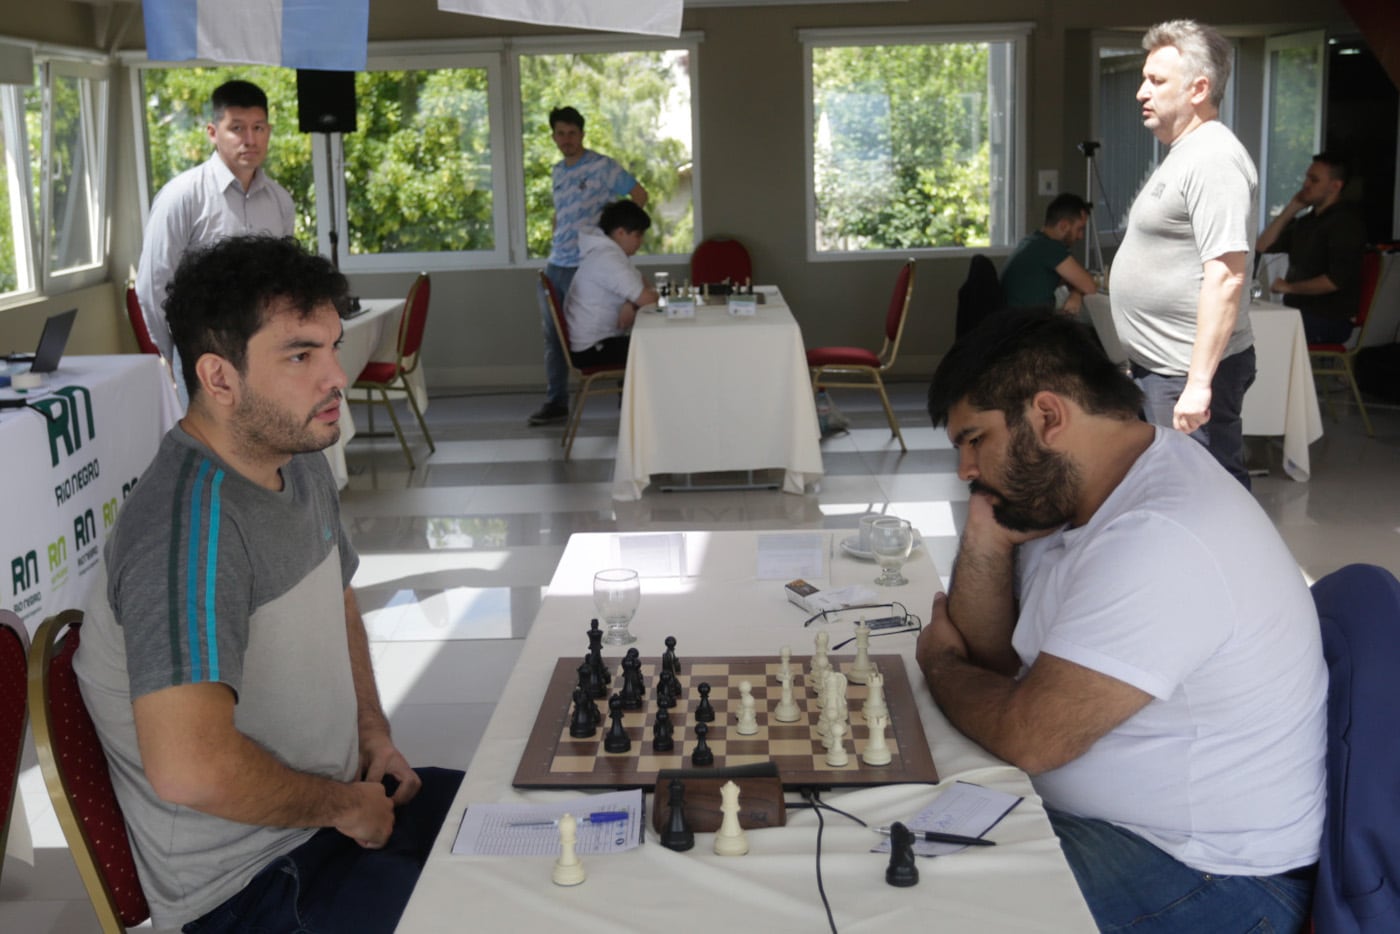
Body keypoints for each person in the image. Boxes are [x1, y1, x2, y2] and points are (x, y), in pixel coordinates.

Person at [74, 235, 463, 933]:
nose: (336, 377)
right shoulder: (187, 531)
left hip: (339, 814)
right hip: (250, 887)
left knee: (533, 828)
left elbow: (337, 598)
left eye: (332, 346)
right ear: (220, 379)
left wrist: (371, 732)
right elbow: (190, 769)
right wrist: (346, 807)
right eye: (300, 355)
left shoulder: (295, 452)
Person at [919, 308, 1325, 934]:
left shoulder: (1162, 534)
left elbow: (1029, 735)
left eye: (975, 441)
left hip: (1214, 877)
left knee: (918, 906)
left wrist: (940, 665)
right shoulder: (1079, 490)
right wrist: (987, 536)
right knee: (876, 836)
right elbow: (992, 662)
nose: (966, 471)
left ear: (1049, 416)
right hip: (1126, 833)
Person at [1110, 20, 1258, 488]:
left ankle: (1241, 564)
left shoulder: (1214, 158)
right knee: (1176, 490)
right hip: (1162, 369)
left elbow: (1227, 276)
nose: (1140, 92)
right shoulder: (1182, 152)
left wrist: (1198, 385)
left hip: (1186, 375)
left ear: (1199, 88)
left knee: (1210, 492)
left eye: (1156, 81)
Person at [136, 80, 296, 404]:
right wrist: (179, 351)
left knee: (265, 449)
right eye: (236, 128)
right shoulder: (182, 197)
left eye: (258, 127)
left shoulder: (280, 200)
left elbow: (285, 281)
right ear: (212, 132)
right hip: (204, 358)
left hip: (266, 354)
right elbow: (152, 286)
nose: (250, 139)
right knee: (209, 453)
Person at [530, 106, 648, 426]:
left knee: (608, 329)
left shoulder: (602, 166)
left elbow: (639, 195)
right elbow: (562, 213)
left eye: (572, 133)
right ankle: (556, 402)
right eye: (560, 133)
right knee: (554, 336)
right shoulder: (556, 171)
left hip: (590, 266)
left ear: (582, 134)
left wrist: (617, 232)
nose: (566, 139)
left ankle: (628, 404)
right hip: (558, 263)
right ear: (553, 136)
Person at [1256, 152, 1368, 344]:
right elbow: (1263, 246)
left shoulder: (1345, 224)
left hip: (1329, 318)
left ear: (1335, 186)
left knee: (1257, 331)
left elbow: (1334, 281)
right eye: (1307, 177)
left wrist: (1290, 287)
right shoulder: (1307, 223)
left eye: (1314, 180)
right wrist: (1291, 208)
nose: (1306, 184)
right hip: (1297, 312)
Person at [563, 200, 659, 369]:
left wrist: (632, 303)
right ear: (621, 232)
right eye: (638, 235)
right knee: (657, 346)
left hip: (596, 343)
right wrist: (636, 303)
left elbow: (642, 282)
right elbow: (648, 299)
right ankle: (633, 395)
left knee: (651, 342)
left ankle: (630, 394)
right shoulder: (608, 259)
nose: (641, 241)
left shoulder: (610, 253)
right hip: (593, 349)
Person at [999, 193, 1098, 315]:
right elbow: (1090, 286)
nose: (1081, 236)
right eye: (1079, 229)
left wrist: (1076, 292)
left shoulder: (1032, 241)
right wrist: (1077, 293)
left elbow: (1068, 280)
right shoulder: (1050, 248)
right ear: (1064, 226)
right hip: (1028, 326)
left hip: (1013, 320)